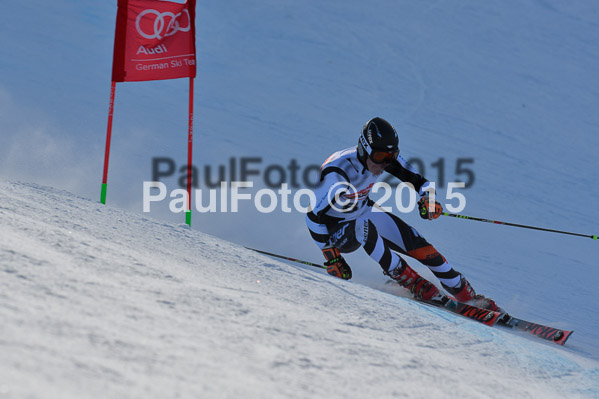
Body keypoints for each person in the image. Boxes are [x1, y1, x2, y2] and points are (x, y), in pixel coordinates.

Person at [305, 117, 500, 311]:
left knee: (420, 246)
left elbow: (421, 182)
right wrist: (333, 257)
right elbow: (313, 217)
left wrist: (429, 199)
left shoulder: (385, 159)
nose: (385, 164)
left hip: (361, 211)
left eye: (391, 156)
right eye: (380, 157)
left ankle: (467, 295)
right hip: (337, 230)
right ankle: (411, 281)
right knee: (362, 226)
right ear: (364, 149)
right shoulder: (338, 173)